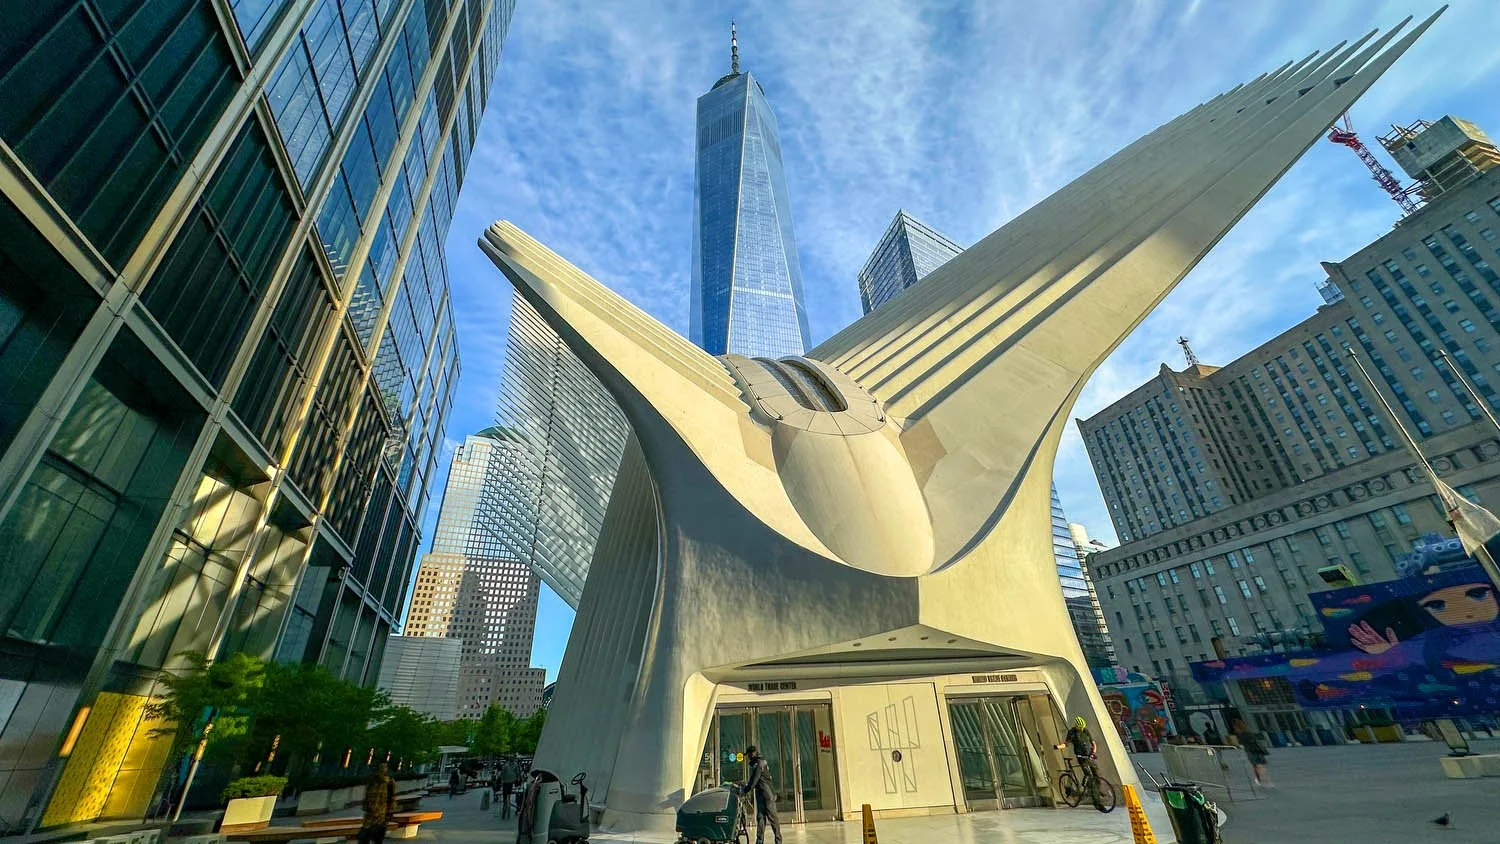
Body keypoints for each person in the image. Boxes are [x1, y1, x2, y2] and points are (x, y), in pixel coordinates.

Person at [739, 745, 782, 844]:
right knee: (760, 819)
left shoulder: (759, 764)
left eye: (749, 754)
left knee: (773, 819)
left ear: (753, 753)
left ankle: (778, 841)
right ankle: (759, 841)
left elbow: (754, 781)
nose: (748, 757)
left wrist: (744, 791)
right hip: (762, 796)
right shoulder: (759, 763)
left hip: (767, 796)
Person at [1055, 716, 1101, 804]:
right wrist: (1058, 747)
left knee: (1096, 773)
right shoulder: (1072, 733)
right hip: (1081, 757)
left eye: (1082, 728)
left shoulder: (1086, 731)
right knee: (1087, 773)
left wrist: (1093, 752)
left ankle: (1097, 792)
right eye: (1080, 728)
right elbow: (1066, 744)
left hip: (1089, 756)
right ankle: (1083, 790)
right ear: (1076, 726)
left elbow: (1093, 743)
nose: (1081, 729)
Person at [358, 763, 397, 844]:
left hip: (382, 815)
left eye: (384, 767)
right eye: (381, 767)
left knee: (378, 838)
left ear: (387, 769)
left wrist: (390, 812)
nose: (382, 769)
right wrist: (366, 806)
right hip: (370, 814)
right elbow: (367, 794)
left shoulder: (390, 782)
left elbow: (392, 797)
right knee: (363, 837)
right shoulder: (372, 780)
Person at [1233, 719, 1271, 787]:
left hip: (1250, 751)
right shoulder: (1248, 732)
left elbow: (1241, 743)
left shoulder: (1241, 734)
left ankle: (1259, 779)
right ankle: (1264, 780)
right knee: (1260, 765)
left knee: (1255, 765)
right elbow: (1254, 740)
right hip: (1257, 750)